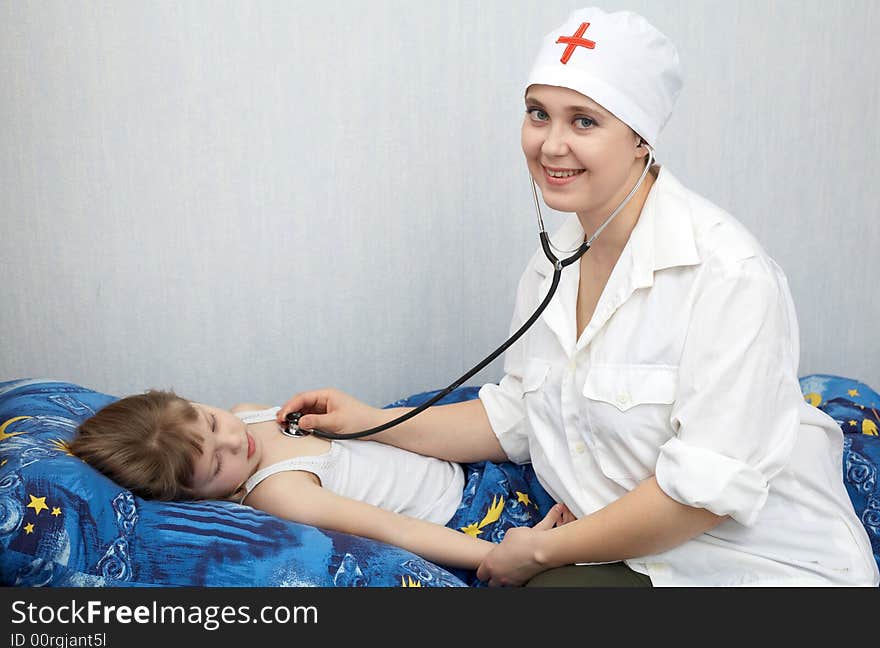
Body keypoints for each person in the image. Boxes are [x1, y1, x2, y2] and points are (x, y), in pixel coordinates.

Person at [277, 7, 880, 587]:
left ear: (640, 138)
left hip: (754, 568)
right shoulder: (554, 264)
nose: (551, 145)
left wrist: (537, 550)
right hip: (621, 554)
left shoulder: (730, 276)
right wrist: (367, 423)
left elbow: (704, 497)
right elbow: (515, 419)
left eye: (584, 121)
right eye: (538, 114)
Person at [69, 389, 569, 573]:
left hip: (458, 461)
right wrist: (495, 556)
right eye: (217, 466)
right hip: (468, 513)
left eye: (212, 422)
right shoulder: (281, 492)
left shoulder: (248, 414)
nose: (234, 441)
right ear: (197, 498)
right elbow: (397, 531)